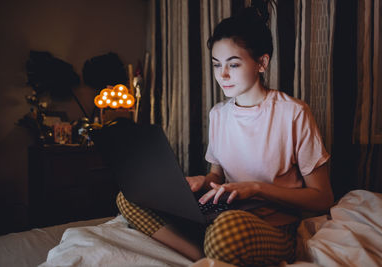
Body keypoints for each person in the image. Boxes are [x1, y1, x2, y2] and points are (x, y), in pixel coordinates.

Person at [116, 6, 334, 267]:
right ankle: (206, 254)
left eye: (233, 64)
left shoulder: (294, 113)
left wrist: (256, 188)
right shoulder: (218, 114)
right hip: (221, 217)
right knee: (130, 196)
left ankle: (210, 249)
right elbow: (216, 177)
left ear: (262, 63)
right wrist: (201, 182)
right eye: (217, 65)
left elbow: (322, 198)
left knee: (226, 229)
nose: (223, 75)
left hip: (272, 228)